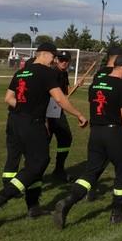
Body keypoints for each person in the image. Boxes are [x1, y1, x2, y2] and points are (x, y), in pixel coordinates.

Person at [0, 43, 88, 230]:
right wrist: (79, 114)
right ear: (44, 54)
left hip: (14, 121)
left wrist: (24, 108)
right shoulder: (46, 73)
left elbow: (8, 98)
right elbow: (60, 99)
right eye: (53, 56)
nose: (54, 60)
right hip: (31, 123)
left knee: (33, 163)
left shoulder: (21, 73)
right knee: (39, 162)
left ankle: (33, 206)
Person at [52, 55, 122, 228]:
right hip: (114, 132)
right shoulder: (121, 85)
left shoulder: (96, 83)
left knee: (91, 172)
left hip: (96, 133)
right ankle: (117, 214)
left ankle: (68, 201)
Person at [46, 50, 74, 182]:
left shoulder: (64, 73)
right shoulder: (52, 73)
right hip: (49, 109)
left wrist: (76, 86)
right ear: (56, 60)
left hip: (58, 109)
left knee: (65, 138)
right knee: (44, 140)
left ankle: (59, 169)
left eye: (66, 60)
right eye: (61, 60)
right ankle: (34, 171)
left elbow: (66, 93)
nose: (63, 62)